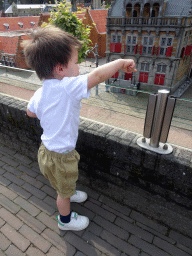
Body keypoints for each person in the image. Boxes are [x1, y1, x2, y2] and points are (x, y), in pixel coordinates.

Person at [23, 25, 137, 231]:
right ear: (60, 68)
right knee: (62, 195)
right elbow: (98, 76)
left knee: (62, 182)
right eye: (75, 63)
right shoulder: (67, 86)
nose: (79, 68)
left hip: (45, 152)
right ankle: (65, 221)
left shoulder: (41, 92)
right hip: (61, 156)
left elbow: (30, 112)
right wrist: (120, 62)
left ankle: (67, 190)